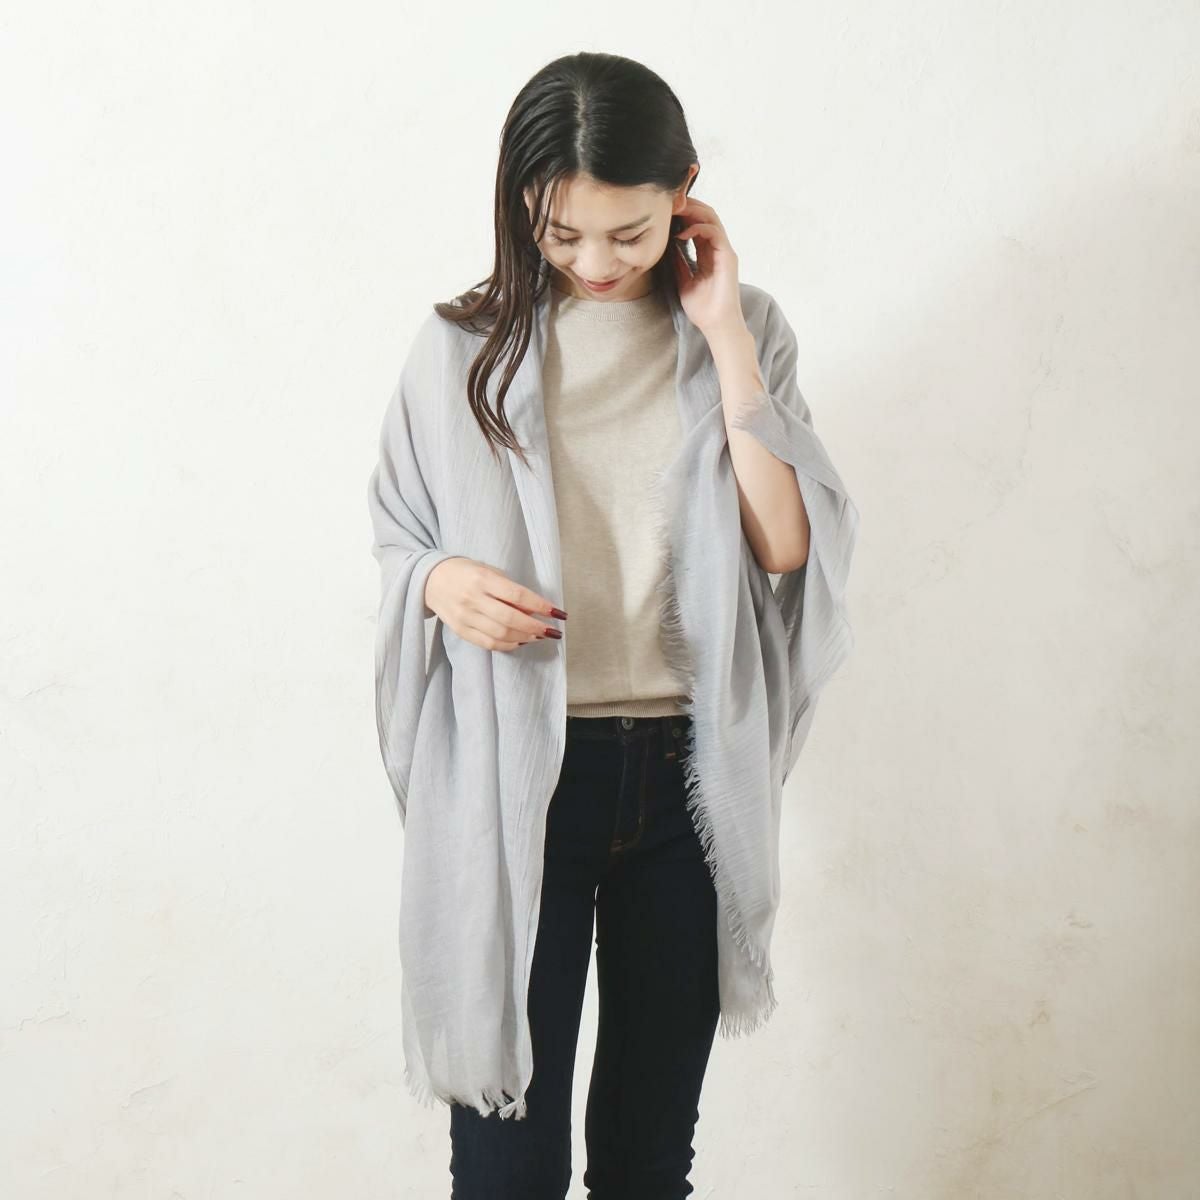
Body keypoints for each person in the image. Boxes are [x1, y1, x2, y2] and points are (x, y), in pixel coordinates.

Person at [367, 50, 859, 1200]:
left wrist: (724, 333)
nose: (594, 262)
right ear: (520, 207)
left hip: (689, 785)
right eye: (561, 233)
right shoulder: (461, 346)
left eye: (629, 234)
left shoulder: (744, 331)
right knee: (506, 1168)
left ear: (684, 193)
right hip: (522, 783)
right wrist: (439, 582)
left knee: (646, 1166)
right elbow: (400, 536)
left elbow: (784, 546)